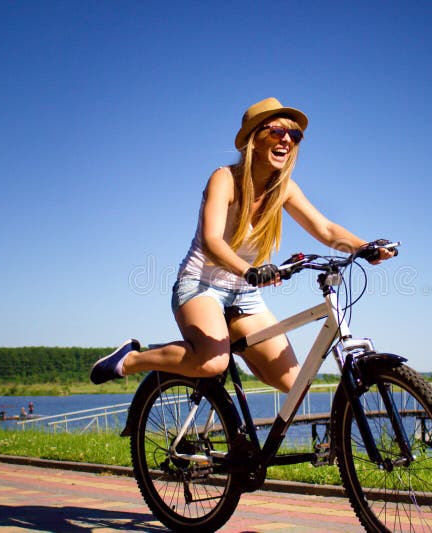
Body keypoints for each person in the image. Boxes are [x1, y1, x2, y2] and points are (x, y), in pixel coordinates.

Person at [90, 97, 394, 392]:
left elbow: (326, 229)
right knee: (212, 362)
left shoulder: (283, 190)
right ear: (253, 139)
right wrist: (250, 271)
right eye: (276, 130)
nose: (286, 139)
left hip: (245, 296)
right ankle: (130, 360)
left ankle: (244, 431)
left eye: (294, 134)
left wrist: (365, 247)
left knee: (295, 383)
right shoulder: (224, 179)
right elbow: (211, 241)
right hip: (200, 285)